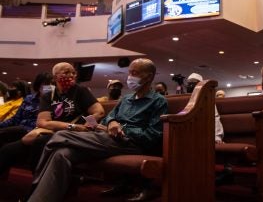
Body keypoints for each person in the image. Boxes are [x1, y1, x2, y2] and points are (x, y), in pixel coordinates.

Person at [27, 58, 168, 202]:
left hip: (130, 143)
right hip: (108, 139)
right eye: (129, 72)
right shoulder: (126, 99)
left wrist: (122, 130)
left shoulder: (158, 101)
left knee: (61, 135)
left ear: (149, 76)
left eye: (135, 73)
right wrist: (112, 122)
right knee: (61, 154)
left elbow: (153, 135)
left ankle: (36, 181)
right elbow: (108, 119)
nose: (130, 77)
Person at [0, 62, 104, 175]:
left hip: (70, 135)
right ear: (55, 77)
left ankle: (38, 184)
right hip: (55, 131)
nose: (71, 75)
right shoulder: (48, 96)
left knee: (39, 143)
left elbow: (98, 112)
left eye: (73, 73)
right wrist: (71, 126)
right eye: (66, 72)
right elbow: (42, 122)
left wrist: (87, 124)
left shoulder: (81, 91)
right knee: (7, 150)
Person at [0, 72, 53, 147]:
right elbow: (15, 119)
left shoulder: (53, 102)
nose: (50, 87)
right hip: (18, 128)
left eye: (52, 84)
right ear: (38, 85)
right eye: (46, 84)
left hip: (32, 131)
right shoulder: (29, 98)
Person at [186, 73, 224, 143]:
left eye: (193, 83)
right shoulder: (184, 98)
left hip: (203, 133)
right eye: (189, 83)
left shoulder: (207, 99)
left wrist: (217, 137)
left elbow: (215, 118)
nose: (190, 85)